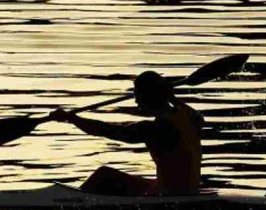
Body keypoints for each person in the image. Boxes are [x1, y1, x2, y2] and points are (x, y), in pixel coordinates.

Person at [49, 71, 204, 196]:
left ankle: (74, 202)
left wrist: (72, 119)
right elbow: (198, 118)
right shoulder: (189, 117)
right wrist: (172, 98)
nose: (135, 102)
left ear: (148, 97)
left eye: (137, 95)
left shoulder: (157, 127)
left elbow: (110, 131)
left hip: (170, 194)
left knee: (104, 175)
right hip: (188, 188)